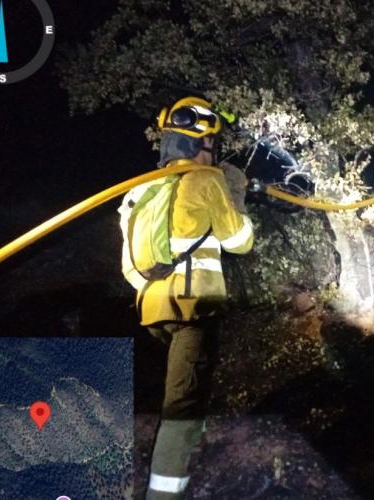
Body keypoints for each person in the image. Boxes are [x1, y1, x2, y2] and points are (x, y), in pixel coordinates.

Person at [119, 95, 253, 499]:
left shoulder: (141, 190)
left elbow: (129, 263)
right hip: (193, 308)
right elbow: (240, 241)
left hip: (152, 309)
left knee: (188, 384)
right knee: (182, 406)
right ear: (200, 143)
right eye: (211, 143)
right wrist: (235, 192)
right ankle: (165, 491)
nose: (213, 151)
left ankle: (192, 445)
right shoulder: (207, 179)